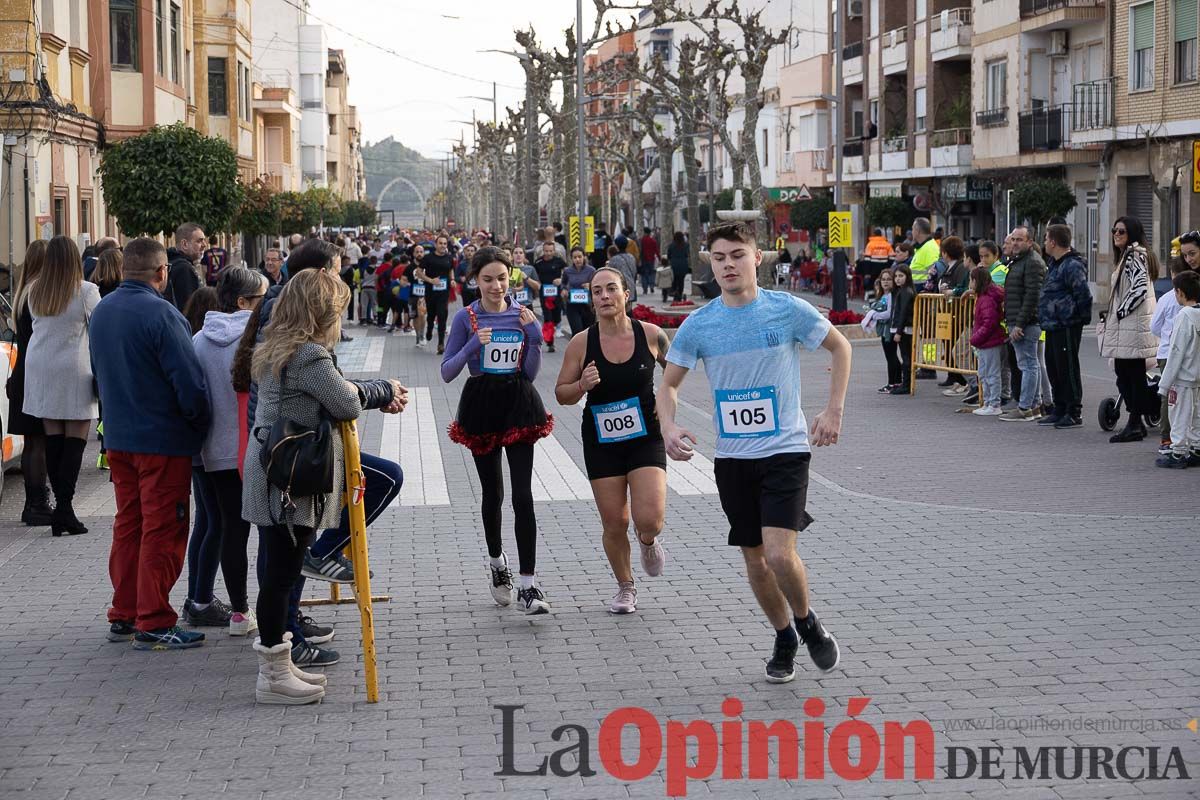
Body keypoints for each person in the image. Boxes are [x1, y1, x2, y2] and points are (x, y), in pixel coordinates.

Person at [657, 222, 848, 683]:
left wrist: (833, 410)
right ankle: (784, 636)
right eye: (719, 257)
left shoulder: (786, 310)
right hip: (733, 459)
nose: (728, 264)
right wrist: (667, 424)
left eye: (737, 255)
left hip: (785, 450)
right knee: (756, 560)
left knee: (781, 555)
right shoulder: (700, 324)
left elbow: (840, 347)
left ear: (757, 258)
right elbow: (668, 384)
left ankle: (806, 622)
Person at [242, 268, 401, 703]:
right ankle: (273, 675)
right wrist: (385, 388)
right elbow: (345, 401)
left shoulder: (278, 346)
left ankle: (280, 663)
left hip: (273, 470)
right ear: (322, 312)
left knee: (279, 570)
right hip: (288, 480)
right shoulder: (309, 355)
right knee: (280, 574)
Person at [90, 237, 211, 649]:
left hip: (119, 437)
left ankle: (124, 612)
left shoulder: (103, 311)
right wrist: (199, 423)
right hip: (161, 440)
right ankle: (155, 618)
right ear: (161, 272)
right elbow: (189, 384)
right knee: (164, 528)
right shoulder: (163, 314)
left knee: (129, 525)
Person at [441, 246, 553, 615]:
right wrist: (475, 342)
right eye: (488, 279)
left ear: (511, 278)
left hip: (518, 402)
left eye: (502, 278)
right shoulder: (465, 317)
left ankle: (529, 584)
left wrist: (533, 336)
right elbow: (447, 370)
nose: (496, 285)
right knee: (493, 493)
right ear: (475, 280)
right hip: (482, 404)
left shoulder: (521, 314)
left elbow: (530, 372)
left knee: (523, 496)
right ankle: (497, 563)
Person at [554, 267, 669, 614]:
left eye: (610, 290)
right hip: (602, 439)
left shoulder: (651, 335)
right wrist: (581, 386)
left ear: (626, 294)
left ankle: (647, 541)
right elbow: (561, 394)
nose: (604, 297)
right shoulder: (581, 343)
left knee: (649, 518)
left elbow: (676, 374)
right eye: (597, 292)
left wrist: (671, 414)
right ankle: (625, 586)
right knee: (614, 522)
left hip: (645, 435)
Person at [191, 268, 267, 636]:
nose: (265, 306)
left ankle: (239, 612)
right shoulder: (259, 339)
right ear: (242, 302)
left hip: (214, 452)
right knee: (267, 531)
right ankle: (277, 610)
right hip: (256, 449)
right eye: (261, 299)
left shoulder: (199, 340)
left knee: (229, 530)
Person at [23, 236, 102, 537]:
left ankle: (62, 510)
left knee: (53, 440)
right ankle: (66, 509)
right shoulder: (85, 290)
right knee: (75, 441)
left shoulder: (35, 291)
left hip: (40, 367)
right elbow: (101, 324)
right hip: (73, 367)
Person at [1102, 216, 1160, 443]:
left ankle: (1136, 422)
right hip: (1130, 326)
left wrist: (1120, 312)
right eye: (1114, 230)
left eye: (1121, 231)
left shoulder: (1135, 255)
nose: (1116, 234)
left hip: (1132, 326)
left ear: (1132, 234)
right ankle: (1139, 418)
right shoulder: (1130, 254)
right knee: (1127, 374)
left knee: (1130, 376)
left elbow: (1139, 288)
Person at [8, 240, 53, 526]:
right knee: (39, 442)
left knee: (32, 441)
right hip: (35, 374)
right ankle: (37, 504)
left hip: (22, 371)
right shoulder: (40, 293)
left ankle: (32, 501)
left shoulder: (22, 293)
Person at [1038, 224, 1093, 429]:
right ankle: (1059, 407)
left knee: (1067, 367)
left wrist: (1078, 317)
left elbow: (1082, 293)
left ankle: (1073, 411)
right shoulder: (1054, 263)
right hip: (1052, 324)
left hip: (1067, 323)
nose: (1044, 243)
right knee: (1053, 366)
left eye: (1046, 239)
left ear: (1053, 241)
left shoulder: (1072, 265)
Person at [998, 226, 1047, 422]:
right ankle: (1033, 406)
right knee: (1029, 363)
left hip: (1026, 323)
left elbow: (1032, 296)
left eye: (1020, 239)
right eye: (1014, 239)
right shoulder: (1020, 261)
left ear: (1029, 242)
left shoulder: (1032, 262)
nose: (1016, 243)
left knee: (1028, 364)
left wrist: (1019, 324)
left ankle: (1025, 407)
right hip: (1019, 320)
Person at [1156, 270, 1200, 468]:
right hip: (1197, 376)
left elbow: (1175, 352)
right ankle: (1197, 448)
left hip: (1182, 377)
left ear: (1180, 292)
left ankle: (1178, 452)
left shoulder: (1183, 317)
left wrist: (1164, 384)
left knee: (1179, 414)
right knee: (1196, 415)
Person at [968, 266, 1006, 417]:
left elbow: (989, 322)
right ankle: (988, 402)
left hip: (989, 341)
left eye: (971, 280)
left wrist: (976, 338)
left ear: (976, 281)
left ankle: (994, 403)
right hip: (986, 341)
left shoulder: (986, 299)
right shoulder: (983, 297)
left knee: (991, 373)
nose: (969, 283)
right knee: (984, 373)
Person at [415, 234, 454, 353]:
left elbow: (450, 270)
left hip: (444, 292)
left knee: (442, 316)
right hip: (431, 292)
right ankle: (429, 328)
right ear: (436, 245)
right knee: (431, 314)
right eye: (440, 243)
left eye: (445, 244)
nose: (443, 246)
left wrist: (452, 279)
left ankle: (441, 343)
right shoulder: (428, 258)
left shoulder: (449, 258)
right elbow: (418, 272)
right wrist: (431, 280)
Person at [860, 268, 896, 392]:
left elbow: (888, 314)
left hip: (889, 330)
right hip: (884, 329)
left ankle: (893, 383)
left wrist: (874, 315)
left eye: (889, 279)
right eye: (883, 280)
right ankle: (894, 382)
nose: (886, 282)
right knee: (889, 356)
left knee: (891, 356)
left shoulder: (891, 295)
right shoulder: (883, 295)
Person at [529, 240, 567, 353]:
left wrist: (561, 280)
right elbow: (534, 276)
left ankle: (556, 325)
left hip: (557, 294)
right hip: (544, 295)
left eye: (550, 251)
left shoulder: (559, 261)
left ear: (554, 251)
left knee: (556, 317)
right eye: (546, 251)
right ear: (543, 251)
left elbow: (567, 273)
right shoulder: (538, 262)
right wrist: (537, 285)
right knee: (548, 318)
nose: (548, 253)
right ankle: (550, 342)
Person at [888, 264, 916, 395]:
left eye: (901, 276)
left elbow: (904, 312)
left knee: (906, 357)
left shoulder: (906, 292)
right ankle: (906, 383)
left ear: (907, 276)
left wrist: (898, 332)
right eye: (896, 276)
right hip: (904, 328)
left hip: (905, 329)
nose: (898, 279)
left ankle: (906, 384)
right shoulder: (903, 290)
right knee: (906, 356)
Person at [165, 222, 206, 311]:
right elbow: (190, 308)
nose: (204, 245)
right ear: (184, 244)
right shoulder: (184, 268)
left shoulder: (169, 262)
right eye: (199, 241)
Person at [561, 246, 596, 336]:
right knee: (577, 331)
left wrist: (590, 286)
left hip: (588, 306)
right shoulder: (567, 271)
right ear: (571, 259)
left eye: (580, 257)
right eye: (575, 257)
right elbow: (563, 284)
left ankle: (589, 350)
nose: (577, 260)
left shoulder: (591, 270)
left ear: (584, 257)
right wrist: (564, 290)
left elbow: (598, 286)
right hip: (572, 305)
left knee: (589, 333)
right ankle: (576, 350)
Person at [666, 232, 690, 302]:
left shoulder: (671, 245)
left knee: (674, 280)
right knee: (681, 281)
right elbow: (686, 254)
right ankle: (680, 293)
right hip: (683, 264)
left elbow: (669, 255)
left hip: (674, 264)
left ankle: (674, 292)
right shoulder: (686, 245)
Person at [639, 227, 660, 295]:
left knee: (644, 274)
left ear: (645, 232)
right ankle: (651, 286)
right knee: (652, 273)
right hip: (651, 259)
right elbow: (656, 250)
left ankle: (645, 289)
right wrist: (659, 258)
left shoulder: (641, 240)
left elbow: (640, 250)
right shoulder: (653, 241)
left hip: (643, 259)